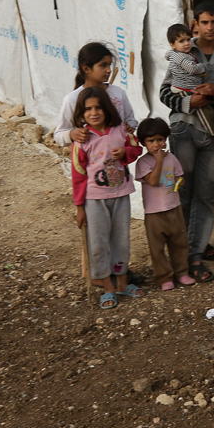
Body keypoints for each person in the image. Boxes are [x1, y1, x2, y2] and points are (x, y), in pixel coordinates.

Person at [158, 1, 214, 282]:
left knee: (206, 195)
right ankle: (182, 254)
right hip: (184, 128)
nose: (209, 27)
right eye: (204, 22)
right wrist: (186, 101)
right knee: (183, 192)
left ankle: (194, 252)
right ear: (196, 24)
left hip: (212, 133)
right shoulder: (181, 49)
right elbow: (163, 92)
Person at [71, 87, 145, 309]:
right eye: (88, 109)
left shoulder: (121, 130)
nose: (94, 113)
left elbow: (136, 149)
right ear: (81, 113)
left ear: (107, 108)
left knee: (121, 241)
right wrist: (80, 207)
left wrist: (125, 153)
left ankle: (122, 283)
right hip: (94, 199)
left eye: (98, 107)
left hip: (121, 195)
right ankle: (107, 288)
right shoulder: (82, 139)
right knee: (98, 244)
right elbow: (78, 174)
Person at [135, 117, 198, 291]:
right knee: (157, 248)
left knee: (179, 243)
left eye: (160, 140)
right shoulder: (144, 162)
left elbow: (178, 175)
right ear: (143, 143)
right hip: (154, 212)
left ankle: (181, 272)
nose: (156, 144)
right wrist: (159, 161)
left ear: (166, 139)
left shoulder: (172, 158)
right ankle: (164, 277)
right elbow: (153, 181)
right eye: (151, 141)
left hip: (174, 207)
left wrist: (180, 181)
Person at [54, 42, 138, 147]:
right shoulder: (72, 99)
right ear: (86, 69)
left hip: (118, 160)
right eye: (103, 65)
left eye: (109, 65)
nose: (109, 70)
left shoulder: (118, 93)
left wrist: (129, 126)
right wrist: (71, 134)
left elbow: (131, 120)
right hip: (88, 161)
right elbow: (59, 134)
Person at [164, 24, 206, 99]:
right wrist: (203, 66)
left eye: (188, 39)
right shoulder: (179, 56)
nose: (186, 43)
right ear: (172, 45)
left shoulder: (185, 54)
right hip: (183, 89)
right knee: (203, 108)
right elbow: (192, 69)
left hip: (188, 88)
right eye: (181, 41)